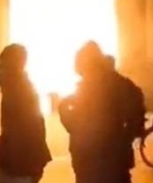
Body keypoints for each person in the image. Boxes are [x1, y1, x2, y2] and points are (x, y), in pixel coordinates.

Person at [59, 42, 141, 183]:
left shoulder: (86, 88)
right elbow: (136, 112)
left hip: (90, 158)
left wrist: (72, 124)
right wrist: (126, 137)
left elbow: (72, 120)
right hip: (113, 158)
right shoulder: (120, 84)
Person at [0, 44, 52, 183]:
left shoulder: (19, 91)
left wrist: (34, 164)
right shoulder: (17, 88)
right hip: (17, 163)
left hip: (19, 165)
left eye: (2, 65)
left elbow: (34, 127)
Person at [103, 55, 146, 181]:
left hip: (102, 148)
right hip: (120, 143)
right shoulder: (125, 84)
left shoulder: (97, 86)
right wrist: (133, 131)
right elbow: (138, 106)